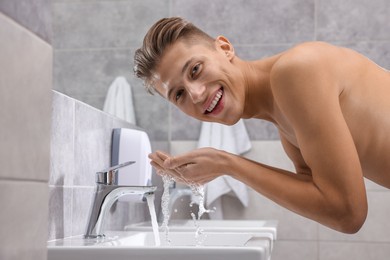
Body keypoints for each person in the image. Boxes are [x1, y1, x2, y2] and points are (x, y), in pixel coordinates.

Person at [133, 17, 390, 234]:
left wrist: (227, 163)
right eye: (178, 94)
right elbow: (320, 195)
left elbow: (348, 213)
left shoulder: (295, 72)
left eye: (196, 70)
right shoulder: (283, 114)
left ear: (224, 48)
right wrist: (222, 165)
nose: (196, 95)